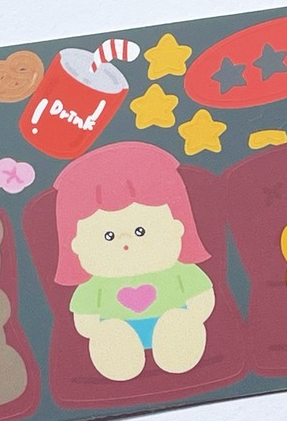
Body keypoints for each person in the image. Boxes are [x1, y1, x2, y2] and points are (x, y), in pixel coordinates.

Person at [52, 142, 215, 380]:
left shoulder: (179, 271)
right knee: (111, 332)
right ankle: (118, 353)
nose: (125, 240)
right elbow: (85, 321)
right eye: (108, 235)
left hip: (172, 325)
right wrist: (98, 330)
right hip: (119, 333)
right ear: (76, 244)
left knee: (177, 323)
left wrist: (192, 316)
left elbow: (201, 299)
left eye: (140, 231)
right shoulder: (95, 285)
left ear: (177, 226)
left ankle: (178, 342)